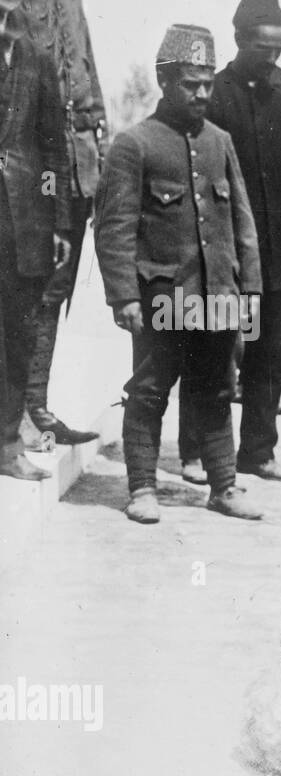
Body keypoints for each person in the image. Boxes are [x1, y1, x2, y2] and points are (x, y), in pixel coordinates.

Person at [94, 24, 264, 523]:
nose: (203, 93)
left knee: (215, 389)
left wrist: (249, 288)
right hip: (162, 296)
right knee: (148, 391)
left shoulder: (221, 142)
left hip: (218, 295)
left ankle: (224, 487)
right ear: (165, 81)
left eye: (209, 82)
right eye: (192, 83)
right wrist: (124, 296)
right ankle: (142, 489)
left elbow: (242, 222)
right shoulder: (135, 145)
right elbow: (115, 229)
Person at [178, 2, 281, 484]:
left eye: (280, 47)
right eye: (264, 47)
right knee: (208, 347)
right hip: (219, 247)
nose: (273, 56)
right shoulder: (211, 94)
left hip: (279, 248)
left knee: (270, 350)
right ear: (239, 39)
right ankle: (196, 452)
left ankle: (258, 452)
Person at [18, 0, 103, 447]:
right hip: (36, 175)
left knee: (56, 290)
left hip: (75, 172)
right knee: (26, 292)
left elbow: (91, 86)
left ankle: (36, 406)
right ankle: (16, 415)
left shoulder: (73, 6)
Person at [0, 0, 71, 481]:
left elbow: (51, 148)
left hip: (23, 219)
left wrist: (58, 219)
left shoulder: (35, 55)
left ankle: (5, 447)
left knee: (17, 332)